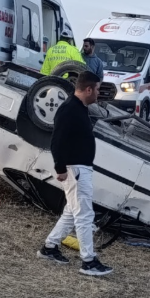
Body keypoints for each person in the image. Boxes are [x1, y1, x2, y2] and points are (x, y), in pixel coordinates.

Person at [36, 71, 114, 276]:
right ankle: (88, 261)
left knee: (71, 213)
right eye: (97, 89)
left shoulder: (79, 108)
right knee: (84, 215)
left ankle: (49, 247)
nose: (98, 93)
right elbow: (57, 141)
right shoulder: (70, 110)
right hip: (75, 170)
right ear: (88, 89)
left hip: (79, 168)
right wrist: (60, 168)